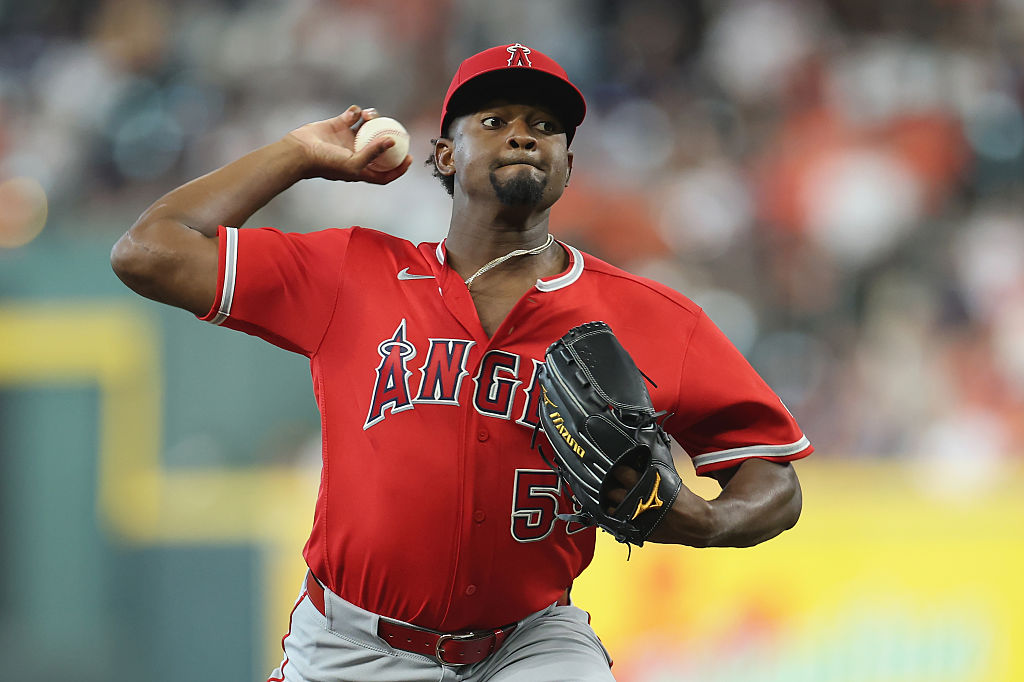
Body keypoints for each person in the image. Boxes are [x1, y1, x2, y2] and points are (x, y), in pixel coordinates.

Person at [111, 43, 812, 682]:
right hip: (353, 648)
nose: (521, 134)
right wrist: (298, 153)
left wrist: (710, 521)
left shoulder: (651, 317)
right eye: (494, 119)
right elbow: (148, 251)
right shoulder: (352, 273)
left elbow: (772, 476)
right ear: (443, 155)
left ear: (569, 164)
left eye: (544, 125)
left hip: (531, 645)